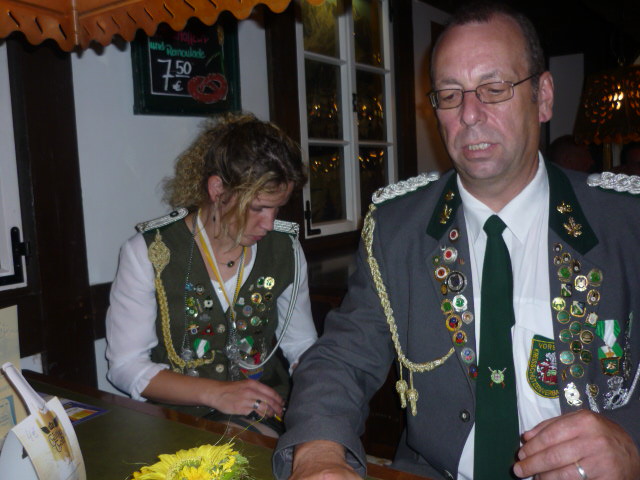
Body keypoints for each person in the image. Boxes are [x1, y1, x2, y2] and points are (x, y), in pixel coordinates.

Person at [273, 2, 640, 479]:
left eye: (494, 89)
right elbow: (343, 357)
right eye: (450, 95)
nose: (469, 114)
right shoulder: (396, 228)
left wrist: (632, 445)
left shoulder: (626, 221)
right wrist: (319, 453)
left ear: (544, 96)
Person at [106, 113, 317, 437]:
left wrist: (316, 391)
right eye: (258, 208)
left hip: (264, 413)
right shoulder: (149, 252)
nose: (269, 223)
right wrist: (217, 394)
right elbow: (126, 366)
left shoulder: (285, 249)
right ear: (218, 189)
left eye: (277, 208)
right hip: (178, 419)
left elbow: (301, 343)